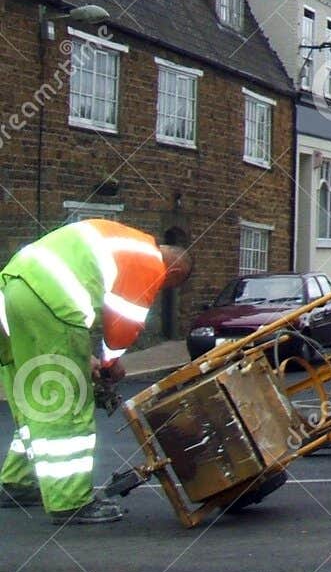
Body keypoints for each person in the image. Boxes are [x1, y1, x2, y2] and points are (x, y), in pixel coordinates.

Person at [0, 219, 191, 525]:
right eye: (167, 287)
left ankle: (16, 483)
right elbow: (124, 322)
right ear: (175, 272)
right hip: (52, 301)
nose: (159, 290)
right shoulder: (150, 261)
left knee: (37, 397)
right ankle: (70, 502)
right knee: (65, 405)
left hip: (13, 290)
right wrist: (109, 362)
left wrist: (86, 358)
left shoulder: (121, 239)